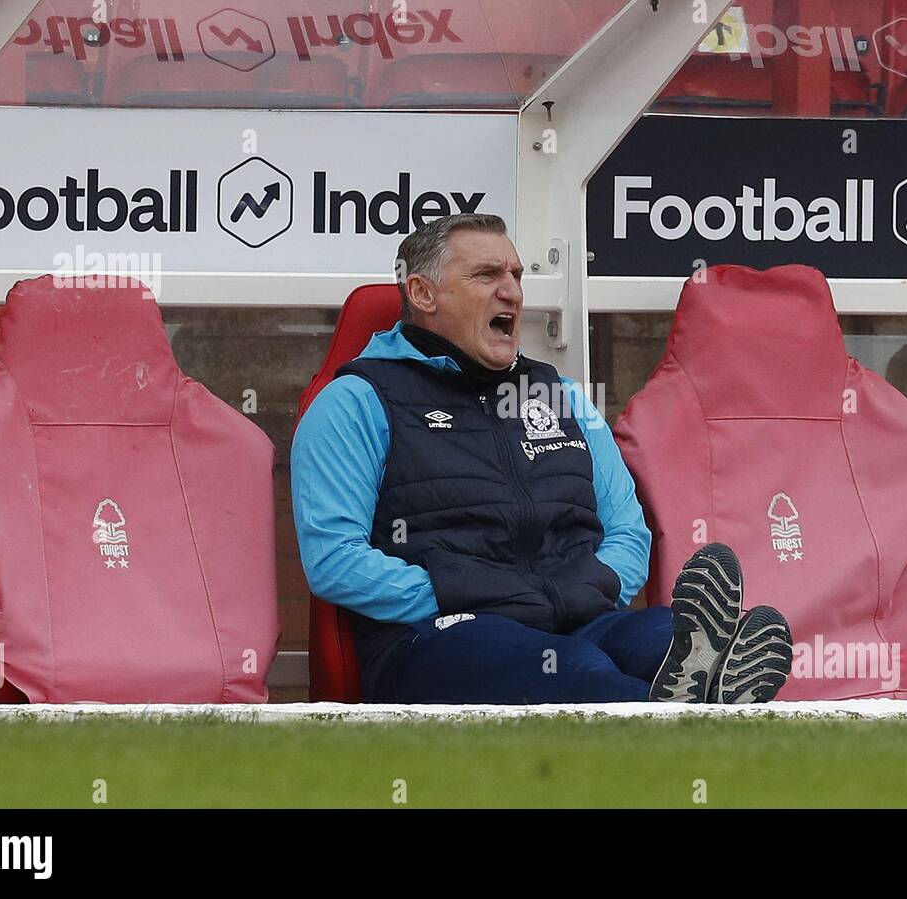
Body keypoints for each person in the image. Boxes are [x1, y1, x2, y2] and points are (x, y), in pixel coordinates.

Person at [291, 213, 792, 703]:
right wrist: (460, 594)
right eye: (486, 275)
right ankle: (698, 716)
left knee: (659, 637)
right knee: (577, 671)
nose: (511, 290)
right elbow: (335, 561)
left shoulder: (564, 397)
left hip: (580, 618)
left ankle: (696, 696)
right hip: (439, 635)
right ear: (422, 294)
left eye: (515, 274)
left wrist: (590, 589)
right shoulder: (356, 401)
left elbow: (628, 532)